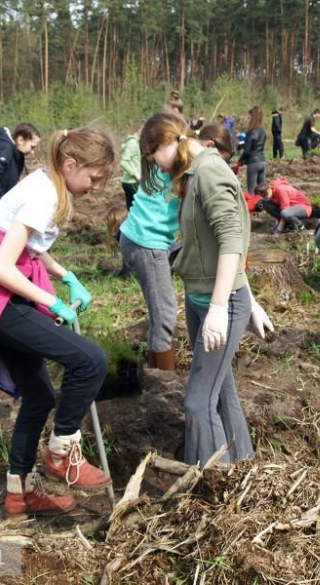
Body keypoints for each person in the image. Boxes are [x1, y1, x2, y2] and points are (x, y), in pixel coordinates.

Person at [0, 127, 117, 517]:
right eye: (94, 178)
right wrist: (52, 300)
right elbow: (2, 266)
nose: (96, 187)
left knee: (39, 397)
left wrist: (66, 276)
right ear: (71, 165)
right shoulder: (44, 194)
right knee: (91, 361)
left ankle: (19, 492)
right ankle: (62, 452)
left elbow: (27, 249)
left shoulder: (46, 185)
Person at [139, 111, 274, 466]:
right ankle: (243, 466)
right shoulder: (196, 174)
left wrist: (223, 307)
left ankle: (213, 487)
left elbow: (232, 240)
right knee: (222, 391)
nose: (153, 162)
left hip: (221, 302)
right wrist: (246, 300)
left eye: (152, 153)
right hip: (206, 298)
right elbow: (220, 242)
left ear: (168, 142)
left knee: (197, 403)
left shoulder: (210, 173)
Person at [120, 123, 235, 372]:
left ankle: (156, 361)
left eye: (152, 155)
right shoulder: (182, 167)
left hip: (147, 236)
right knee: (165, 311)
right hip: (146, 241)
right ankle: (163, 377)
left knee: (167, 301)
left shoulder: (182, 163)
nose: (152, 162)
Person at [237, 106, 267, 194]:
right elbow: (259, 147)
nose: (248, 119)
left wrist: (240, 160)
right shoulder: (263, 131)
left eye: (249, 117)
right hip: (262, 161)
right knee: (263, 190)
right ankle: (263, 206)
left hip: (253, 163)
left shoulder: (250, 132)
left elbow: (247, 150)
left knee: (251, 191)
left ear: (253, 118)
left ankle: (252, 206)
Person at [120, 121, 143, 211]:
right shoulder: (132, 143)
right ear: (140, 129)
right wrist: (136, 174)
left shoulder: (136, 142)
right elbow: (123, 162)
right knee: (136, 211)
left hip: (132, 181)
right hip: (132, 182)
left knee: (133, 210)